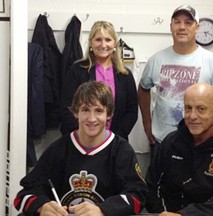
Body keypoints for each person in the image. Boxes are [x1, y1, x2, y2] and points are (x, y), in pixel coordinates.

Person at [14, 81, 147, 216]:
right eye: (85, 110)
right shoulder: (58, 150)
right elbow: (23, 195)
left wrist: (104, 210)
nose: (92, 118)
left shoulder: (122, 151)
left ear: (109, 114)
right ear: (75, 112)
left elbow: (138, 196)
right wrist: (41, 206)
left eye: (99, 111)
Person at [145, 82, 213, 216]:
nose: (192, 116)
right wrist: (162, 212)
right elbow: (150, 186)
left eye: (201, 109)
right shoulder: (171, 143)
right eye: (188, 108)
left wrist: (185, 215)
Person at [138, 5, 213, 147]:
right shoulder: (156, 60)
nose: (182, 27)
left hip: (200, 144)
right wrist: (147, 123)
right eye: (177, 22)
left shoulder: (212, 62)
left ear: (197, 27)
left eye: (188, 22)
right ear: (171, 27)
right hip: (163, 142)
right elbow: (143, 89)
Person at [60, 21, 138, 140]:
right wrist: (83, 136)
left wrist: (114, 138)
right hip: (82, 141)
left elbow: (132, 111)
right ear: (91, 43)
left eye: (108, 40)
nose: (103, 44)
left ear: (114, 44)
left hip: (115, 141)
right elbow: (66, 107)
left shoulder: (125, 75)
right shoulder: (77, 71)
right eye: (98, 40)